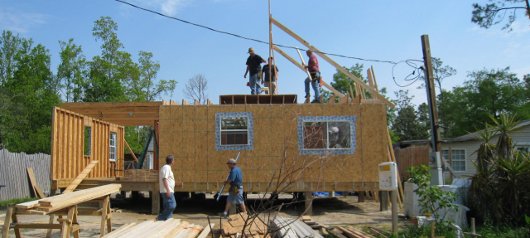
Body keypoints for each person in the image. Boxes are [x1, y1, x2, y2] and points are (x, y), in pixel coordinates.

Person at [157, 155, 177, 221]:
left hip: (167, 190)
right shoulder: (166, 168)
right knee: (172, 205)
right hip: (167, 191)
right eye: (173, 160)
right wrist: (168, 190)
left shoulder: (167, 168)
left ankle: (168, 220)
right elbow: (164, 179)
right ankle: (160, 218)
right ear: (171, 161)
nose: (174, 161)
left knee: (167, 206)